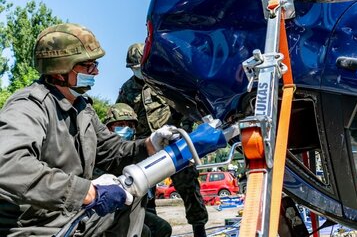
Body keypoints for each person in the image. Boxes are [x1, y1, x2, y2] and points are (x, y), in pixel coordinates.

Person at [0, 23, 178, 237]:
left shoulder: (82, 108)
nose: (96, 71)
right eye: (88, 65)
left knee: (133, 197)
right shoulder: (29, 105)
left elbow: (112, 151)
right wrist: (87, 192)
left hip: (68, 215)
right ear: (61, 69)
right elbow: (8, 163)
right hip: (35, 226)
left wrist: (150, 145)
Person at [117, 43, 209, 237]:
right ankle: (153, 231)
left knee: (189, 188)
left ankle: (199, 229)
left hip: (174, 145)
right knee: (144, 193)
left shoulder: (166, 81)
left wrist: (182, 133)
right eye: (133, 68)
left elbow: (186, 109)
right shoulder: (127, 89)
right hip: (146, 149)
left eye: (139, 66)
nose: (137, 71)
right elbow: (122, 117)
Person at [103, 103, 172, 237]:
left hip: (133, 210)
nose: (126, 129)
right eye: (120, 124)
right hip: (107, 212)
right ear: (108, 127)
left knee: (162, 229)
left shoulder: (139, 152)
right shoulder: (103, 151)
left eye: (130, 125)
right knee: (144, 232)